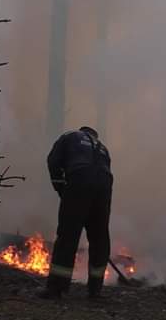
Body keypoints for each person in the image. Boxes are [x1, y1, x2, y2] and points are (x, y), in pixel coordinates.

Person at [38, 126, 113, 300]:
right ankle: (95, 290)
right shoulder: (103, 148)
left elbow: (53, 160)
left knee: (68, 235)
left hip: (79, 178)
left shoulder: (70, 136)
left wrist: (61, 188)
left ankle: (57, 288)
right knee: (99, 238)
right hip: (104, 186)